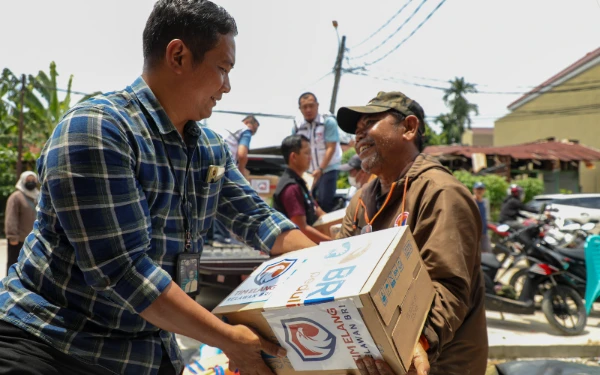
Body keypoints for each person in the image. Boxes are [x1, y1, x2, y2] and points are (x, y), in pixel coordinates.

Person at [0, 2, 316, 375]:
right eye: (222, 69)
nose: (227, 87)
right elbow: (124, 270)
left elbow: (258, 219)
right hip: (53, 346)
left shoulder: (209, 148)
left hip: (148, 355)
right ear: (179, 55)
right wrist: (229, 339)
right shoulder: (97, 130)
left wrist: (339, 267)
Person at [336, 91, 488, 375]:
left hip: (435, 364)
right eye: (356, 132)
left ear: (408, 127)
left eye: (368, 124)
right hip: (380, 359)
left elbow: (449, 288)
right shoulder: (361, 200)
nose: (359, 137)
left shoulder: (441, 192)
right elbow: (339, 271)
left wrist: (413, 342)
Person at [273, 135, 331, 244]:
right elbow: (301, 228)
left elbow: (317, 210)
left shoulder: (300, 183)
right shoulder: (291, 188)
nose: (310, 158)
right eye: (307, 153)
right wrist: (332, 242)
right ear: (294, 157)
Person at [292, 92, 342, 213]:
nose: (308, 109)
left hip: (327, 169)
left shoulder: (328, 122)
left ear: (317, 105)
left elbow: (331, 147)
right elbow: (295, 151)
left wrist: (320, 169)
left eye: (311, 105)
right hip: (308, 172)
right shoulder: (297, 127)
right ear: (300, 109)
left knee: (325, 202)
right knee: (307, 205)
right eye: (304, 107)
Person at [3, 171, 39, 273]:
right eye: (28, 180)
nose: (31, 182)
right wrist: (12, 236)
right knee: (14, 266)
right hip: (19, 240)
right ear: (23, 181)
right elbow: (11, 218)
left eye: (33, 180)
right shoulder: (16, 197)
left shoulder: (38, 196)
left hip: (34, 240)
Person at [473, 181, 492, 253]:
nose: (479, 191)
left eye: (481, 189)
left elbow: (487, 216)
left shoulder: (485, 202)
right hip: (474, 233)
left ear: (484, 191)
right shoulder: (471, 201)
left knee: (487, 252)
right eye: (478, 189)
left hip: (484, 232)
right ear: (474, 190)